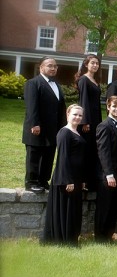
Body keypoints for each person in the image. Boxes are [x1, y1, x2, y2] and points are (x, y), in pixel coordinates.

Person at [43, 104, 86, 246]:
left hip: (76, 178)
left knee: (72, 211)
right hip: (66, 179)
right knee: (64, 211)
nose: (78, 117)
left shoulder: (77, 133)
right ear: (68, 115)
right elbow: (63, 158)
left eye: (80, 115)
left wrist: (82, 180)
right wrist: (67, 180)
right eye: (75, 114)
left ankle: (70, 239)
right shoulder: (64, 133)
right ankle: (61, 240)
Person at [22, 56, 66, 194]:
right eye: (49, 65)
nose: (53, 68)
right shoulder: (33, 83)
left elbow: (60, 108)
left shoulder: (57, 85)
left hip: (53, 129)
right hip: (37, 128)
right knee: (35, 155)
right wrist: (35, 124)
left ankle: (43, 180)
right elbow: (32, 106)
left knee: (48, 155)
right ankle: (31, 182)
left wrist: (64, 127)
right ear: (41, 67)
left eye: (55, 66)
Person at [95, 96, 117, 243]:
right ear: (108, 107)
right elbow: (103, 152)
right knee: (105, 207)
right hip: (108, 175)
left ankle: (109, 236)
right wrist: (109, 174)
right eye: (114, 106)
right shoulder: (104, 126)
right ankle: (101, 238)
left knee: (113, 206)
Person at [75, 54, 102, 192]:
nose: (95, 65)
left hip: (96, 120)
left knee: (94, 151)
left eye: (97, 63)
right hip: (87, 122)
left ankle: (92, 181)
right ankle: (83, 181)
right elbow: (83, 101)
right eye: (92, 63)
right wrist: (85, 122)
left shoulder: (95, 80)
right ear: (86, 64)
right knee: (86, 151)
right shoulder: (84, 80)